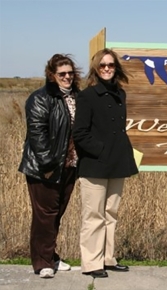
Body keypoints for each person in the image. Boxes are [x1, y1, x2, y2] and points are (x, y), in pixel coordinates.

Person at [73, 48, 138, 278]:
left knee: (111, 213)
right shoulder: (87, 96)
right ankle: (91, 263)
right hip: (95, 164)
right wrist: (101, 150)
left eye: (111, 65)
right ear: (96, 69)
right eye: (103, 65)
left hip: (118, 163)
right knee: (94, 216)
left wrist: (119, 152)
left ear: (116, 68)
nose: (107, 69)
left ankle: (108, 258)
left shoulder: (121, 94)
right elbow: (79, 133)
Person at [18, 54, 81, 278]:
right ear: (52, 75)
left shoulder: (76, 97)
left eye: (70, 73)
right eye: (62, 73)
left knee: (56, 214)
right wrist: (48, 165)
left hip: (70, 165)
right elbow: (37, 134)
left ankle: (51, 256)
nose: (67, 77)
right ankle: (42, 262)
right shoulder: (40, 98)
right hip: (44, 168)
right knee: (45, 214)